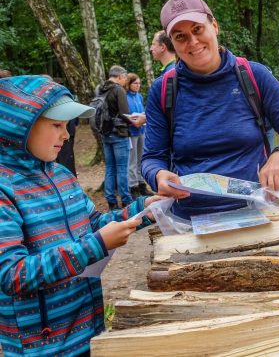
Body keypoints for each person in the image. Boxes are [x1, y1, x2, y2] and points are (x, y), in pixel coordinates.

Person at [0, 76, 162, 356]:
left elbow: (95, 224)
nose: (66, 134)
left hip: (88, 329)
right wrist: (95, 245)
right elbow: (12, 274)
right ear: (19, 128)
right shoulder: (5, 190)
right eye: (56, 125)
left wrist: (147, 207)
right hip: (41, 345)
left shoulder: (62, 176)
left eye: (66, 126)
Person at [142, 0, 279, 219]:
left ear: (214, 26)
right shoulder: (163, 90)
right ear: (172, 43)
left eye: (198, 29)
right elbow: (152, 158)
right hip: (190, 220)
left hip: (257, 214)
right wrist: (158, 175)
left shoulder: (254, 76)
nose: (192, 42)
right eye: (180, 36)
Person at [99, 65, 133, 210]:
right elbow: (125, 113)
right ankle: (126, 199)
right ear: (119, 76)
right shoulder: (118, 90)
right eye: (125, 77)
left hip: (105, 133)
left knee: (110, 168)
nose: (126, 81)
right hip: (119, 134)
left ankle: (111, 201)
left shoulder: (100, 89)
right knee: (121, 168)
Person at [125, 73, 150, 198]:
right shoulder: (125, 96)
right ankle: (133, 187)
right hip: (131, 132)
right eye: (135, 83)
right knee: (132, 160)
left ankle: (142, 184)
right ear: (129, 84)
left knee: (141, 158)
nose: (138, 85)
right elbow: (124, 114)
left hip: (142, 131)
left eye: (139, 83)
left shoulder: (139, 96)